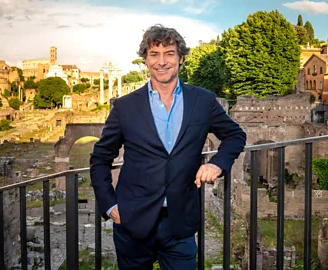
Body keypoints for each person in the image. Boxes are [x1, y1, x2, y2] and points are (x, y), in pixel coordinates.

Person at [90, 24, 246, 269]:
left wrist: (217, 163)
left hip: (179, 224)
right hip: (132, 222)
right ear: (145, 60)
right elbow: (100, 158)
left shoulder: (203, 100)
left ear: (181, 58)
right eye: (154, 54)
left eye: (169, 53)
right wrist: (109, 206)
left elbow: (235, 136)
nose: (161, 62)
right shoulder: (125, 106)